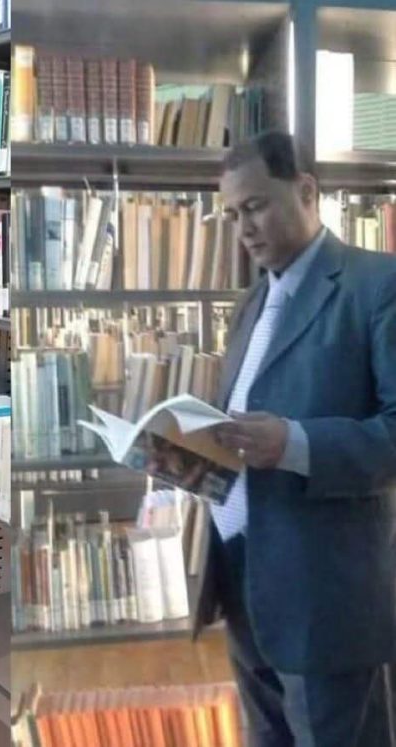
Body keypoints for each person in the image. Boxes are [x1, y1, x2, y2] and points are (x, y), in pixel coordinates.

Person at [193, 130, 396, 746]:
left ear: (306, 191)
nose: (244, 229)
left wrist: (295, 444)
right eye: (233, 215)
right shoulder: (250, 304)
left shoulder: (376, 285)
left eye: (255, 206)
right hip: (242, 582)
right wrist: (186, 456)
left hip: (324, 598)